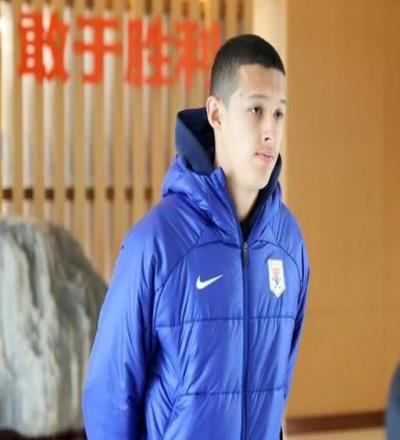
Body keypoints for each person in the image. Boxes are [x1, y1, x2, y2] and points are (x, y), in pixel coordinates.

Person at [82, 33, 311, 440]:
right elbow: (109, 394)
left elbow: (277, 388)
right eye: (255, 110)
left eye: (279, 114)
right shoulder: (157, 243)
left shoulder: (288, 245)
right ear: (216, 114)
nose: (270, 132)